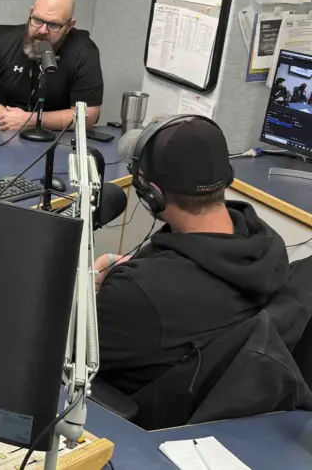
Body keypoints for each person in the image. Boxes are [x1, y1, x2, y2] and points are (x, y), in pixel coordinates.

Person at [95, 117, 312, 410]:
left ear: (152, 195)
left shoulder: (137, 293)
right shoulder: (266, 246)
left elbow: (67, 351)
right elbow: (191, 290)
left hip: (129, 421)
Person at [0, 0, 103, 131]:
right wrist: (5, 115)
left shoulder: (84, 52)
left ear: (69, 26)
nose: (42, 30)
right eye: (37, 20)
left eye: (53, 25)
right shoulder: (5, 40)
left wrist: (31, 120)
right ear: (31, 13)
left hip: (55, 132)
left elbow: (88, 115)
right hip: (4, 124)